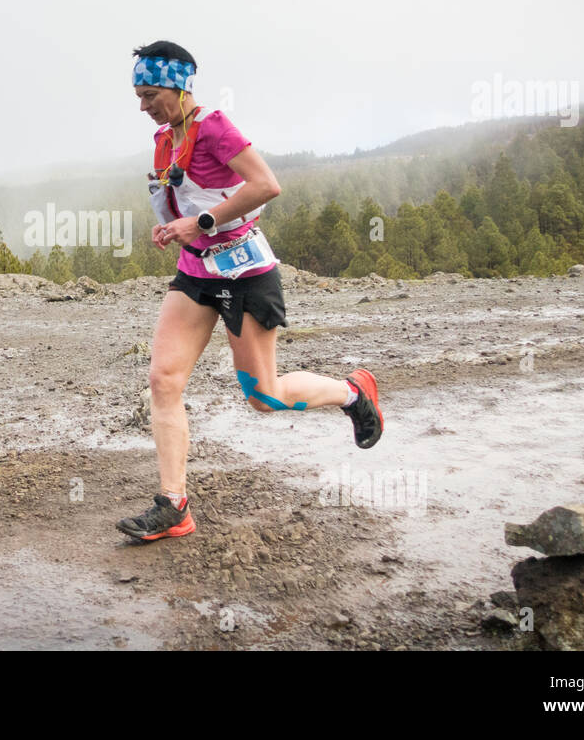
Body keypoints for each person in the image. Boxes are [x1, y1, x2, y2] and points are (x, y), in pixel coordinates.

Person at [115, 41, 384, 542]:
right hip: (196, 272)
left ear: (178, 85)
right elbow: (183, 200)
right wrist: (174, 227)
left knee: (264, 396)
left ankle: (352, 392)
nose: (142, 104)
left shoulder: (215, 127)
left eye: (149, 93)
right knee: (163, 380)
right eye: (137, 94)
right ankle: (174, 507)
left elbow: (266, 185)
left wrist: (202, 221)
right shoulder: (163, 140)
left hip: (244, 271)